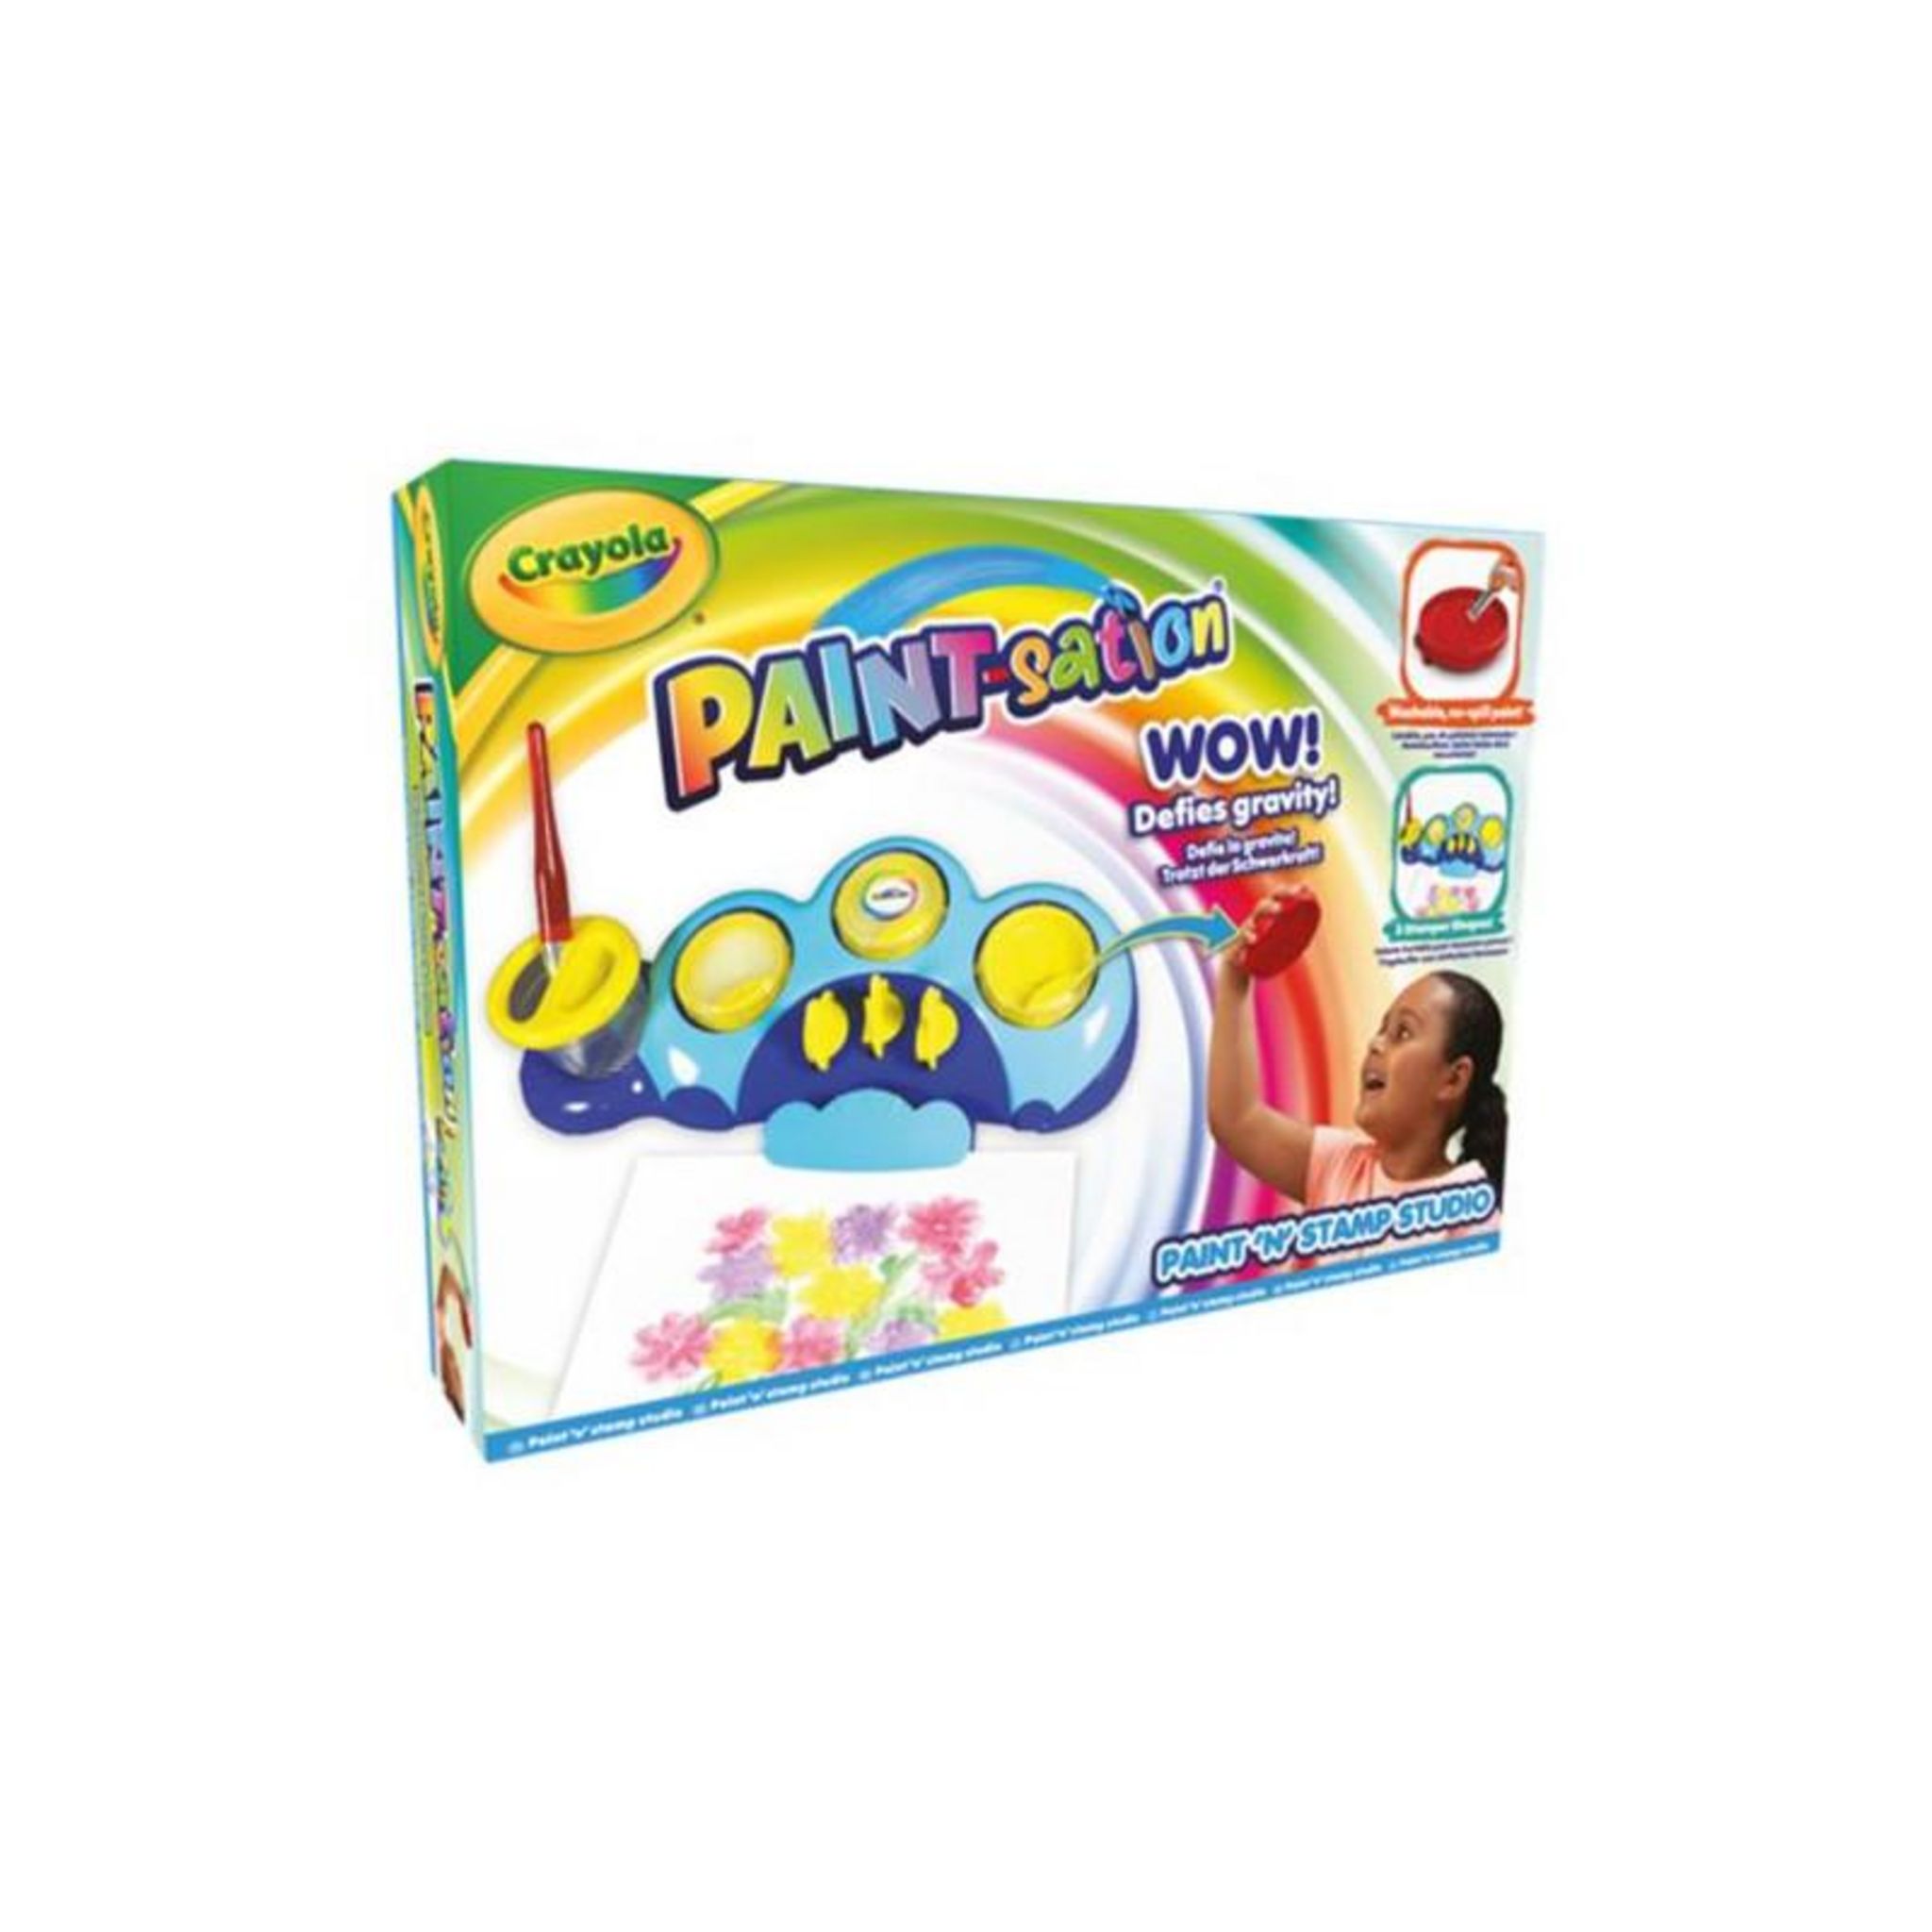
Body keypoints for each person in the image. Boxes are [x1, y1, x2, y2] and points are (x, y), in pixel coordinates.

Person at [1208, 895, 1507, 1221]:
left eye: (1403, 1032)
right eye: (1382, 1029)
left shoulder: (1471, 1213)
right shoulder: (1340, 1165)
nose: (1375, 1043)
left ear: (1453, 1079)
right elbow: (1237, 1120)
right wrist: (1236, 976)